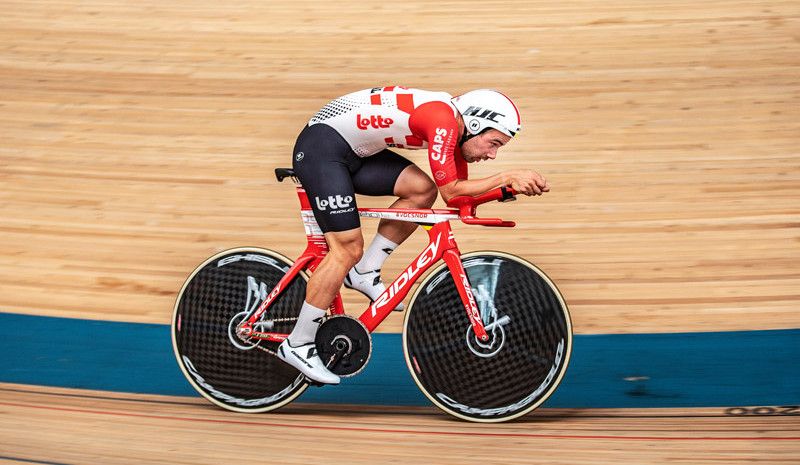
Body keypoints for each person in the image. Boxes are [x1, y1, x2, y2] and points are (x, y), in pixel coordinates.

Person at [277, 86, 550, 384]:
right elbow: (453, 190)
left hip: (355, 153)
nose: (493, 155)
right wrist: (506, 177)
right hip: (322, 149)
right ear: (474, 124)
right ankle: (299, 343)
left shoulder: (456, 130)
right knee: (346, 249)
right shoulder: (443, 120)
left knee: (422, 191)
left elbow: (455, 199)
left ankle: (365, 273)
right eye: (493, 143)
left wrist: (503, 191)